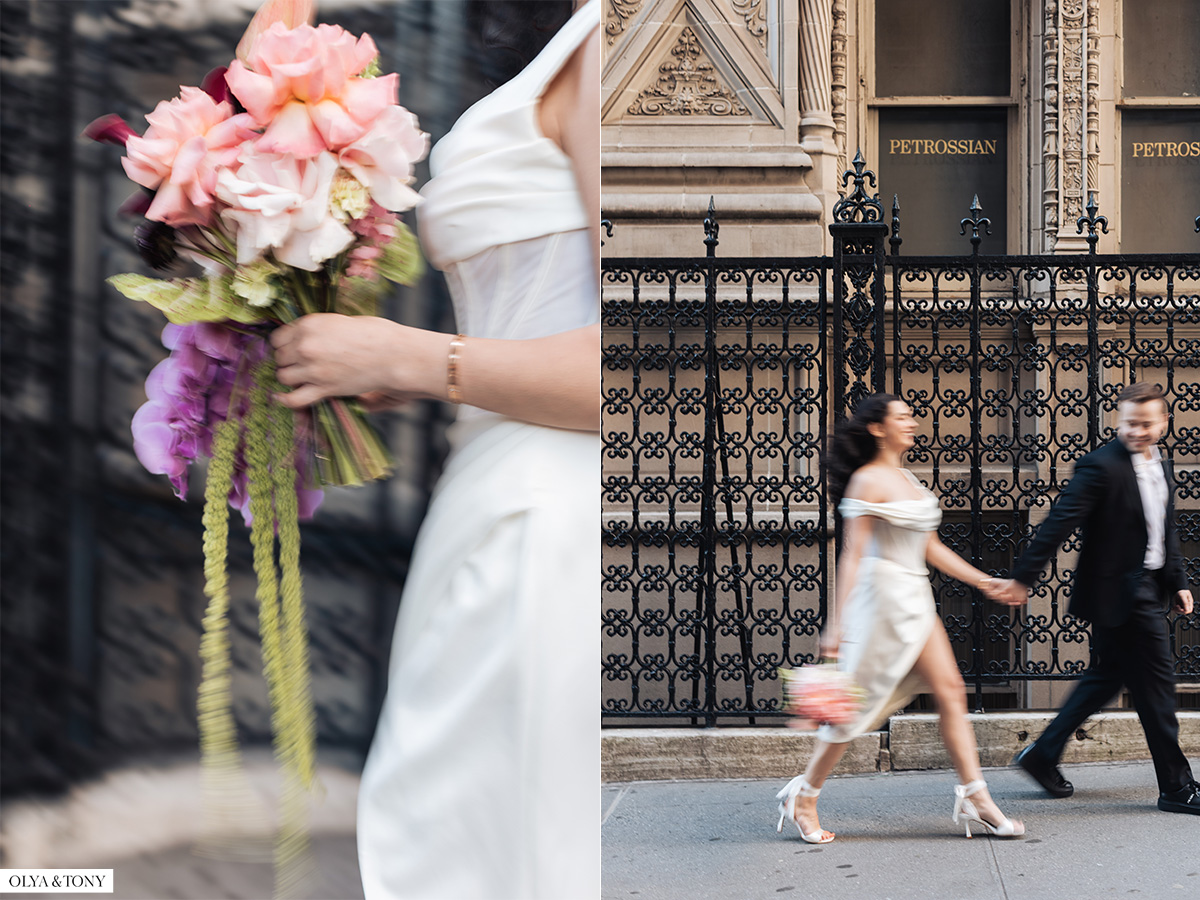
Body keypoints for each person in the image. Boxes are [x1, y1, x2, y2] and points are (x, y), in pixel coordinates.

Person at [270, 1, 602, 895]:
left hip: (550, 519)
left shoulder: (611, 52)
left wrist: (410, 357)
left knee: (476, 850)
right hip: (494, 491)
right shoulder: (569, 45)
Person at [776, 394, 1026, 842]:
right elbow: (852, 555)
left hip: (915, 596)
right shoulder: (867, 480)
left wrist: (985, 581)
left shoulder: (907, 478)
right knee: (853, 708)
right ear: (877, 428)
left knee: (951, 691)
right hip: (882, 602)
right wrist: (836, 625)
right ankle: (805, 796)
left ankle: (977, 797)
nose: (912, 423)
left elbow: (930, 547)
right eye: (903, 417)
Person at [996, 381, 1199, 815]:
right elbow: (1059, 521)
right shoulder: (1100, 466)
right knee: (1158, 691)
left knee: (1105, 678)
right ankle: (1177, 787)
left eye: (1145, 424)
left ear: (1164, 422)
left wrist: (1178, 580)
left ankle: (1042, 754)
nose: (1136, 432)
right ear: (1119, 420)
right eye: (1129, 423)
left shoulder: (1160, 463)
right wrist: (1023, 578)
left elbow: (1165, 529)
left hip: (1148, 586)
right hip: (1123, 593)